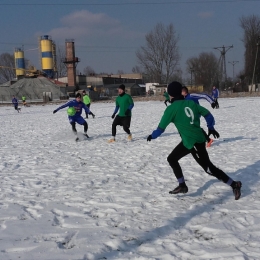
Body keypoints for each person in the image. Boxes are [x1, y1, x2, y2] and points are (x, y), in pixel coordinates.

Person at [147, 81, 242, 200]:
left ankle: (235, 184)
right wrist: (210, 127)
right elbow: (208, 114)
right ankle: (182, 185)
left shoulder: (171, 109)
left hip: (194, 142)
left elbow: (160, 129)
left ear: (171, 94)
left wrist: (152, 136)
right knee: (172, 159)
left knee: (209, 169)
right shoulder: (190, 103)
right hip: (191, 141)